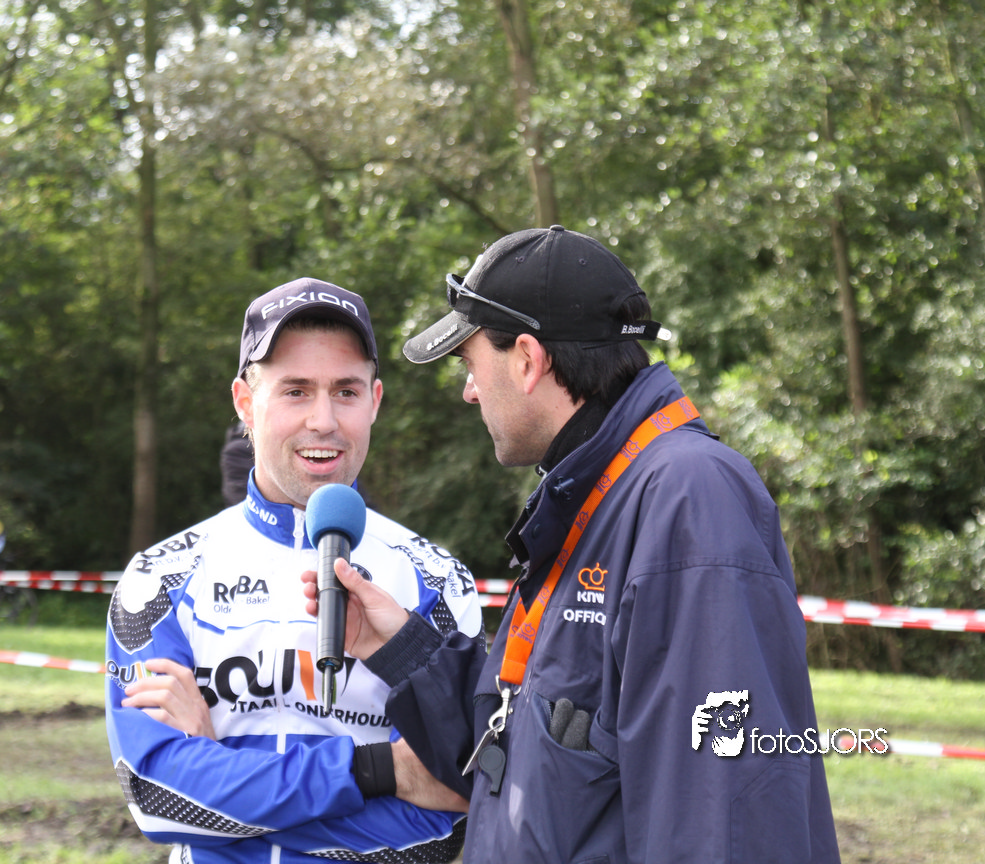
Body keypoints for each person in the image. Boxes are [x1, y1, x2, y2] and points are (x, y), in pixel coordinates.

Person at [303, 226, 842, 863]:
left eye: (470, 365)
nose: (469, 390)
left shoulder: (688, 497)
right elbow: (530, 753)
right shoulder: (591, 494)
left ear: (528, 360)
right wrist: (396, 644)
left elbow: (723, 813)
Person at [104, 277, 483, 864]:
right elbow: (157, 797)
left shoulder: (437, 581)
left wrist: (220, 782)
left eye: (346, 391)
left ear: (376, 401)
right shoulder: (161, 577)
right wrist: (383, 770)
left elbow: (442, 829)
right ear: (244, 402)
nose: (323, 420)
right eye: (296, 391)